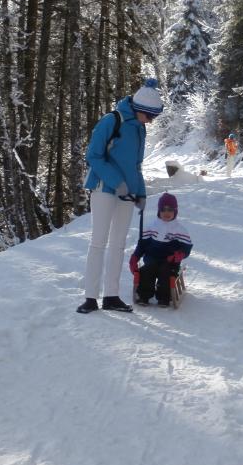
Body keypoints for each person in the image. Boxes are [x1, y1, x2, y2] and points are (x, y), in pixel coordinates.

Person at [77, 78, 164, 314]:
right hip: (104, 190)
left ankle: (111, 296)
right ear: (139, 109)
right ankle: (90, 297)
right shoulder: (111, 121)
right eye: (150, 116)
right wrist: (118, 183)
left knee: (118, 245)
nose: (152, 121)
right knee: (98, 243)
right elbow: (93, 156)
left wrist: (141, 192)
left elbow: (136, 165)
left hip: (127, 194)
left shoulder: (140, 128)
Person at [128, 192, 193, 307]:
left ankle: (164, 297)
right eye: (163, 210)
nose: (166, 213)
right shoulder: (152, 227)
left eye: (170, 209)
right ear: (159, 211)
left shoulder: (180, 230)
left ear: (175, 211)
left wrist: (179, 255)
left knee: (166, 271)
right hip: (152, 259)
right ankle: (144, 295)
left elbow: (186, 248)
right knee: (147, 270)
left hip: (170, 261)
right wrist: (135, 257)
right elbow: (142, 245)